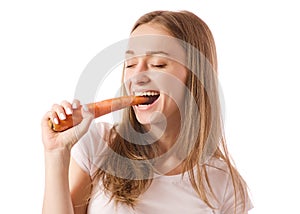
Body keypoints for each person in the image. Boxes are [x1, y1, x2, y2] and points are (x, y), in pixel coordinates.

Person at [41, 10, 252, 214]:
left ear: (195, 77)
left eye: (157, 64)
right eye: (130, 64)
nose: (137, 77)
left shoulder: (224, 183)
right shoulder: (98, 144)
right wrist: (56, 153)